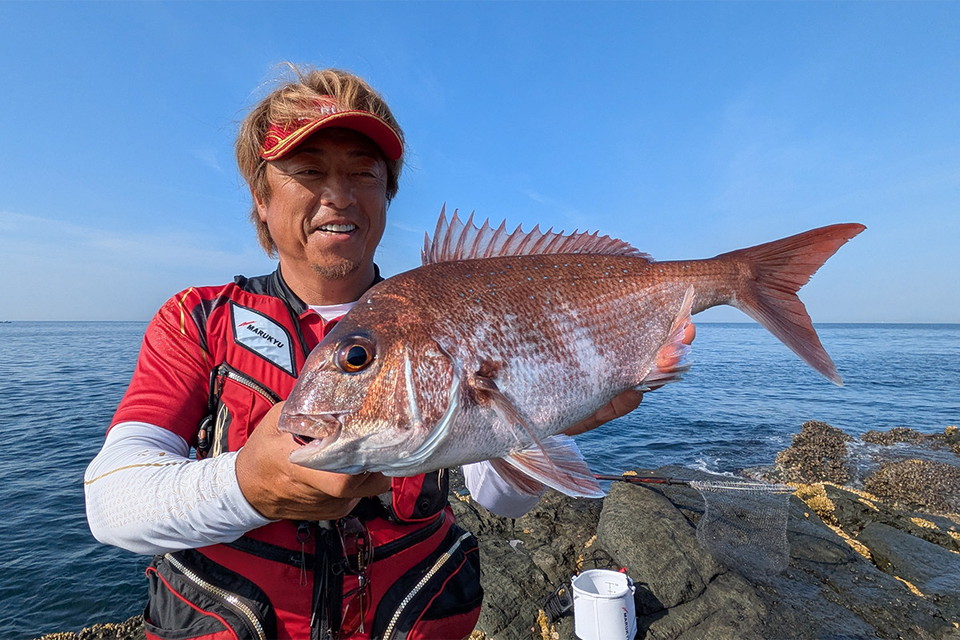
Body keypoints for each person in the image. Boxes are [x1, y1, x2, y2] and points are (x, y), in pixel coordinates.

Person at [84, 65, 648, 640]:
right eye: (307, 171)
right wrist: (248, 485)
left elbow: (499, 501)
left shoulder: (441, 313)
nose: (339, 196)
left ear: (387, 193)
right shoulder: (199, 319)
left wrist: (543, 423)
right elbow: (112, 502)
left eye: (363, 173)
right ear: (261, 195)